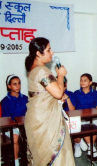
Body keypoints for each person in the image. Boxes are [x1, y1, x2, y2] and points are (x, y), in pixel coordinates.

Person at [24, 37, 75, 165]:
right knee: (55, 157)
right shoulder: (42, 71)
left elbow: (47, 93)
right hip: (44, 121)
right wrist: (61, 75)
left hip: (40, 118)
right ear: (38, 53)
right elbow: (58, 94)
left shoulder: (34, 69)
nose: (52, 53)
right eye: (48, 50)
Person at [66, 73, 97, 160]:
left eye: (85, 80)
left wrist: (93, 116)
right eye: (81, 80)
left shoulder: (96, 93)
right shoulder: (76, 93)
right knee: (81, 125)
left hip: (93, 116)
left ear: (90, 82)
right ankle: (92, 148)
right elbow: (73, 109)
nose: (82, 82)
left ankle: (90, 148)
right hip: (80, 117)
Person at [1, 74, 28, 166]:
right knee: (15, 137)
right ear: (9, 86)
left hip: (24, 126)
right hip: (11, 127)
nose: (18, 86)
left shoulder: (25, 98)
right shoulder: (5, 101)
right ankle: (16, 162)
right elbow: (6, 119)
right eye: (14, 84)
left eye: (19, 83)